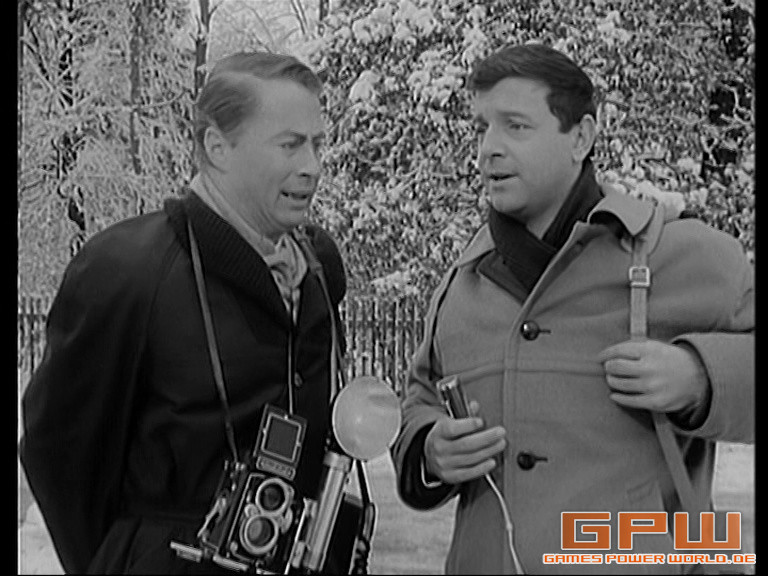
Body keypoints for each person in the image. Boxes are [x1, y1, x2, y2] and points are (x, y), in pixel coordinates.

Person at [391, 43, 753, 574]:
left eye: (515, 126)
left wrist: (700, 377)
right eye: (481, 128)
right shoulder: (460, 286)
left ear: (580, 138)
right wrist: (428, 450)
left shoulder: (685, 253)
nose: (488, 149)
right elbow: (419, 401)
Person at [19, 52, 349, 574]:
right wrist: (135, 555)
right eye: (290, 144)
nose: (312, 166)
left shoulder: (318, 266)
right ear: (217, 147)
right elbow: (59, 453)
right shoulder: (128, 269)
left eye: (318, 143)